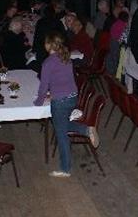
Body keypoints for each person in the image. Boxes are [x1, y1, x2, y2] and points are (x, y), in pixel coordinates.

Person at [34, 33, 98, 178]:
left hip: (60, 101)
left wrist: (38, 102)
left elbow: (44, 86)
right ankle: (87, 129)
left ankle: (65, 169)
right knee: (62, 124)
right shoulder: (66, 58)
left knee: (61, 134)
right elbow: (63, 80)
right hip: (72, 98)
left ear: (48, 45)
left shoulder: (48, 62)